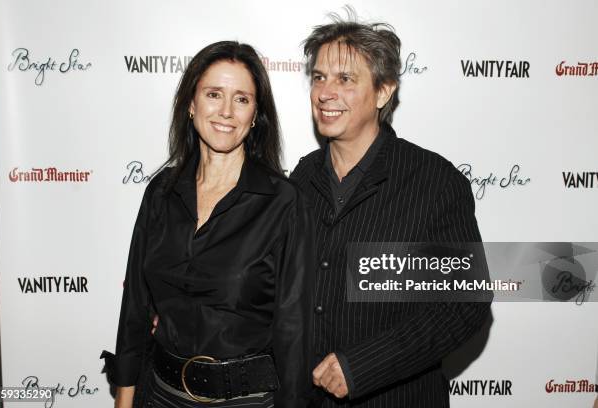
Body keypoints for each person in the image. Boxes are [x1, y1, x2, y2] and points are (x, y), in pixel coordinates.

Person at [289, 13, 493, 407]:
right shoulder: (300, 178)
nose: (325, 92)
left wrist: (363, 365)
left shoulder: (434, 181)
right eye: (318, 77)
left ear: (383, 92)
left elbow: (465, 304)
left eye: (345, 79)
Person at [101, 41, 315, 408]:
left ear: (256, 115)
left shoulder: (284, 202)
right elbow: (134, 307)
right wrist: (124, 400)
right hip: (161, 395)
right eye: (214, 94)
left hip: (246, 401)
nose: (226, 112)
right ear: (191, 103)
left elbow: (294, 336)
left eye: (242, 99)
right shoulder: (161, 192)